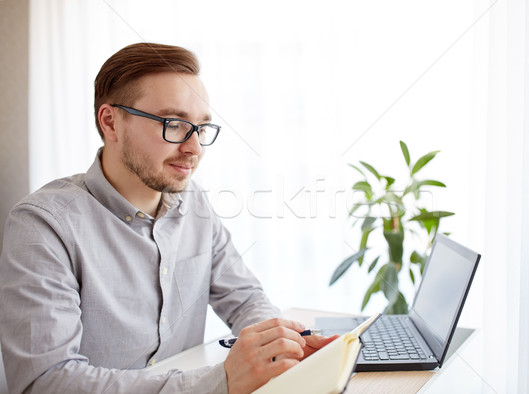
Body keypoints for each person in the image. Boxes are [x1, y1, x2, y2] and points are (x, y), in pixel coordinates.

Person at [0, 43, 335, 394]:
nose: (194, 149)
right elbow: (46, 382)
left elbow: (245, 298)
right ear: (110, 122)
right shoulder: (43, 225)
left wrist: (282, 344)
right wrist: (221, 380)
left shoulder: (195, 204)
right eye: (173, 124)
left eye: (201, 128)